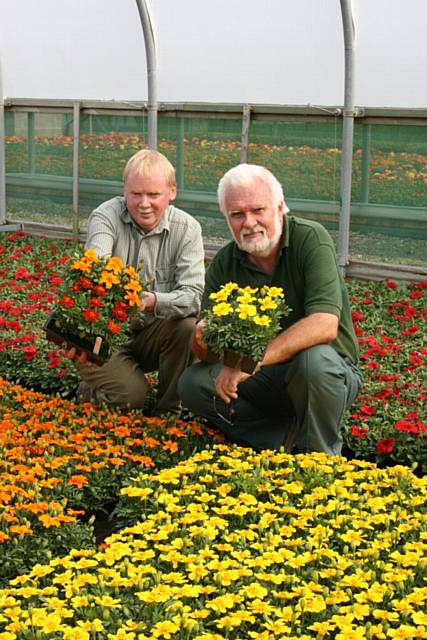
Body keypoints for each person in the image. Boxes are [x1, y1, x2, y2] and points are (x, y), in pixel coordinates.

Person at [178, 163, 362, 455]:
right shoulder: (225, 262)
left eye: (258, 210)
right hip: (261, 379)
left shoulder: (309, 239)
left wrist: (252, 362)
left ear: (279, 207)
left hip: (325, 375)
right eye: (237, 214)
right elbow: (209, 353)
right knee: (194, 382)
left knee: (315, 362)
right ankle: (280, 439)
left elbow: (325, 323)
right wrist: (201, 341)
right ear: (226, 218)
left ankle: (321, 457)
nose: (249, 223)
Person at [74, 149, 205, 416]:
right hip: (103, 334)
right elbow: (94, 269)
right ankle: (93, 390)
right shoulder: (106, 216)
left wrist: (153, 301)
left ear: (172, 192)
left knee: (187, 327)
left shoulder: (187, 229)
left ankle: (168, 412)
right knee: (131, 398)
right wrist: (115, 286)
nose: (144, 203)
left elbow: (193, 296)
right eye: (136, 194)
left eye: (154, 194)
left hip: (148, 333)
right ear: (125, 191)